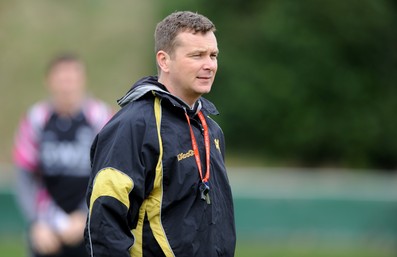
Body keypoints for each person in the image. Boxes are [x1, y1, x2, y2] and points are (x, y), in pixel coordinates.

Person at [84, 11, 236, 257]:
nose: (209, 65)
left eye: (213, 55)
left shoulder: (210, 128)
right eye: (197, 55)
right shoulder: (133, 126)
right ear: (164, 61)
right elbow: (104, 225)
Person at [13, 53, 113, 257]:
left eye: (72, 80)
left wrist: (86, 215)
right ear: (48, 81)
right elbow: (24, 176)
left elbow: (112, 174)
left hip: (92, 228)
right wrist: (35, 223)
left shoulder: (101, 117)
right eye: (61, 80)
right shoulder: (36, 119)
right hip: (46, 232)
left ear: (83, 80)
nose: (67, 87)